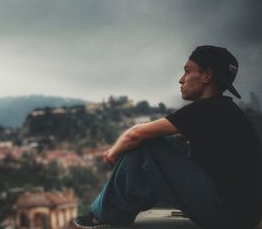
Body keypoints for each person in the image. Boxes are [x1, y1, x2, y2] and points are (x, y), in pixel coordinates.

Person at [74, 45, 262, 229]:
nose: (182, 79)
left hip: (228, 215)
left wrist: (113, 154)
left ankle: (107, 215)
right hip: (242, 213)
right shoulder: (224, 109)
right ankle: (116, 210)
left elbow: (136, 134)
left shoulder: (208, 109)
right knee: (170, 143)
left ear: (206, 75)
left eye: (187, 71)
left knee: (148, 145)